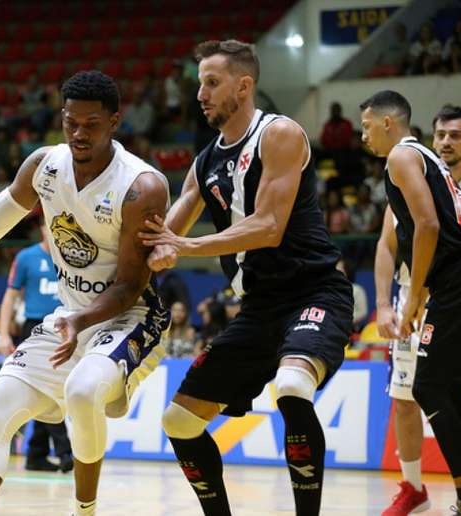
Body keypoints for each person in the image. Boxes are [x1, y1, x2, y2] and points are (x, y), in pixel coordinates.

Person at [0, 70, 170, 516]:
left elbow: (128, 285)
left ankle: (84, 509)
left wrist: (79, 323)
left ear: (115, 122)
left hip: (132, 317)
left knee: (83, 391)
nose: (79, 134)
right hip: (71, 315)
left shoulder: (142, 186)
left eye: (92, 125)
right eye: (70, 123)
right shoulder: (44, 165)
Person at [138, 40, 353, 516]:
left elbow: (268, 227)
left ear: (244, 85)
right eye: (199, 84)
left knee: (292, 387)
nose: (201, 94)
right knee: (178, 421)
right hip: (256, 309)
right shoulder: (203, 163)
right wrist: (140, 252)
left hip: (312, 292)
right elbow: (165, 232)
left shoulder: (279, 134)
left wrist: (186, 248)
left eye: (211, 83)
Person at [360, 91, 461, 515]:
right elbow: (417, 233)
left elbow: (428, 225)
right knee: (446, 385)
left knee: (428, 384)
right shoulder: (427, 158)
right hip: (457, 279)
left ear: (388, 123)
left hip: (460, 278)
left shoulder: (401, 157)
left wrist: (411, 301)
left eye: (367, 126)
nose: (364, 136)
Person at [0, 231, 73, 473]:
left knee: (51, 389)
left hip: (67, 324)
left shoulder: (75, 253)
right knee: (46, 386)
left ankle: (36, 454)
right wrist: (3, 333)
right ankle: (65, 453)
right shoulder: (26, 257)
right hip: (35, 327)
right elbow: (10, 296)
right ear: (42, 227)